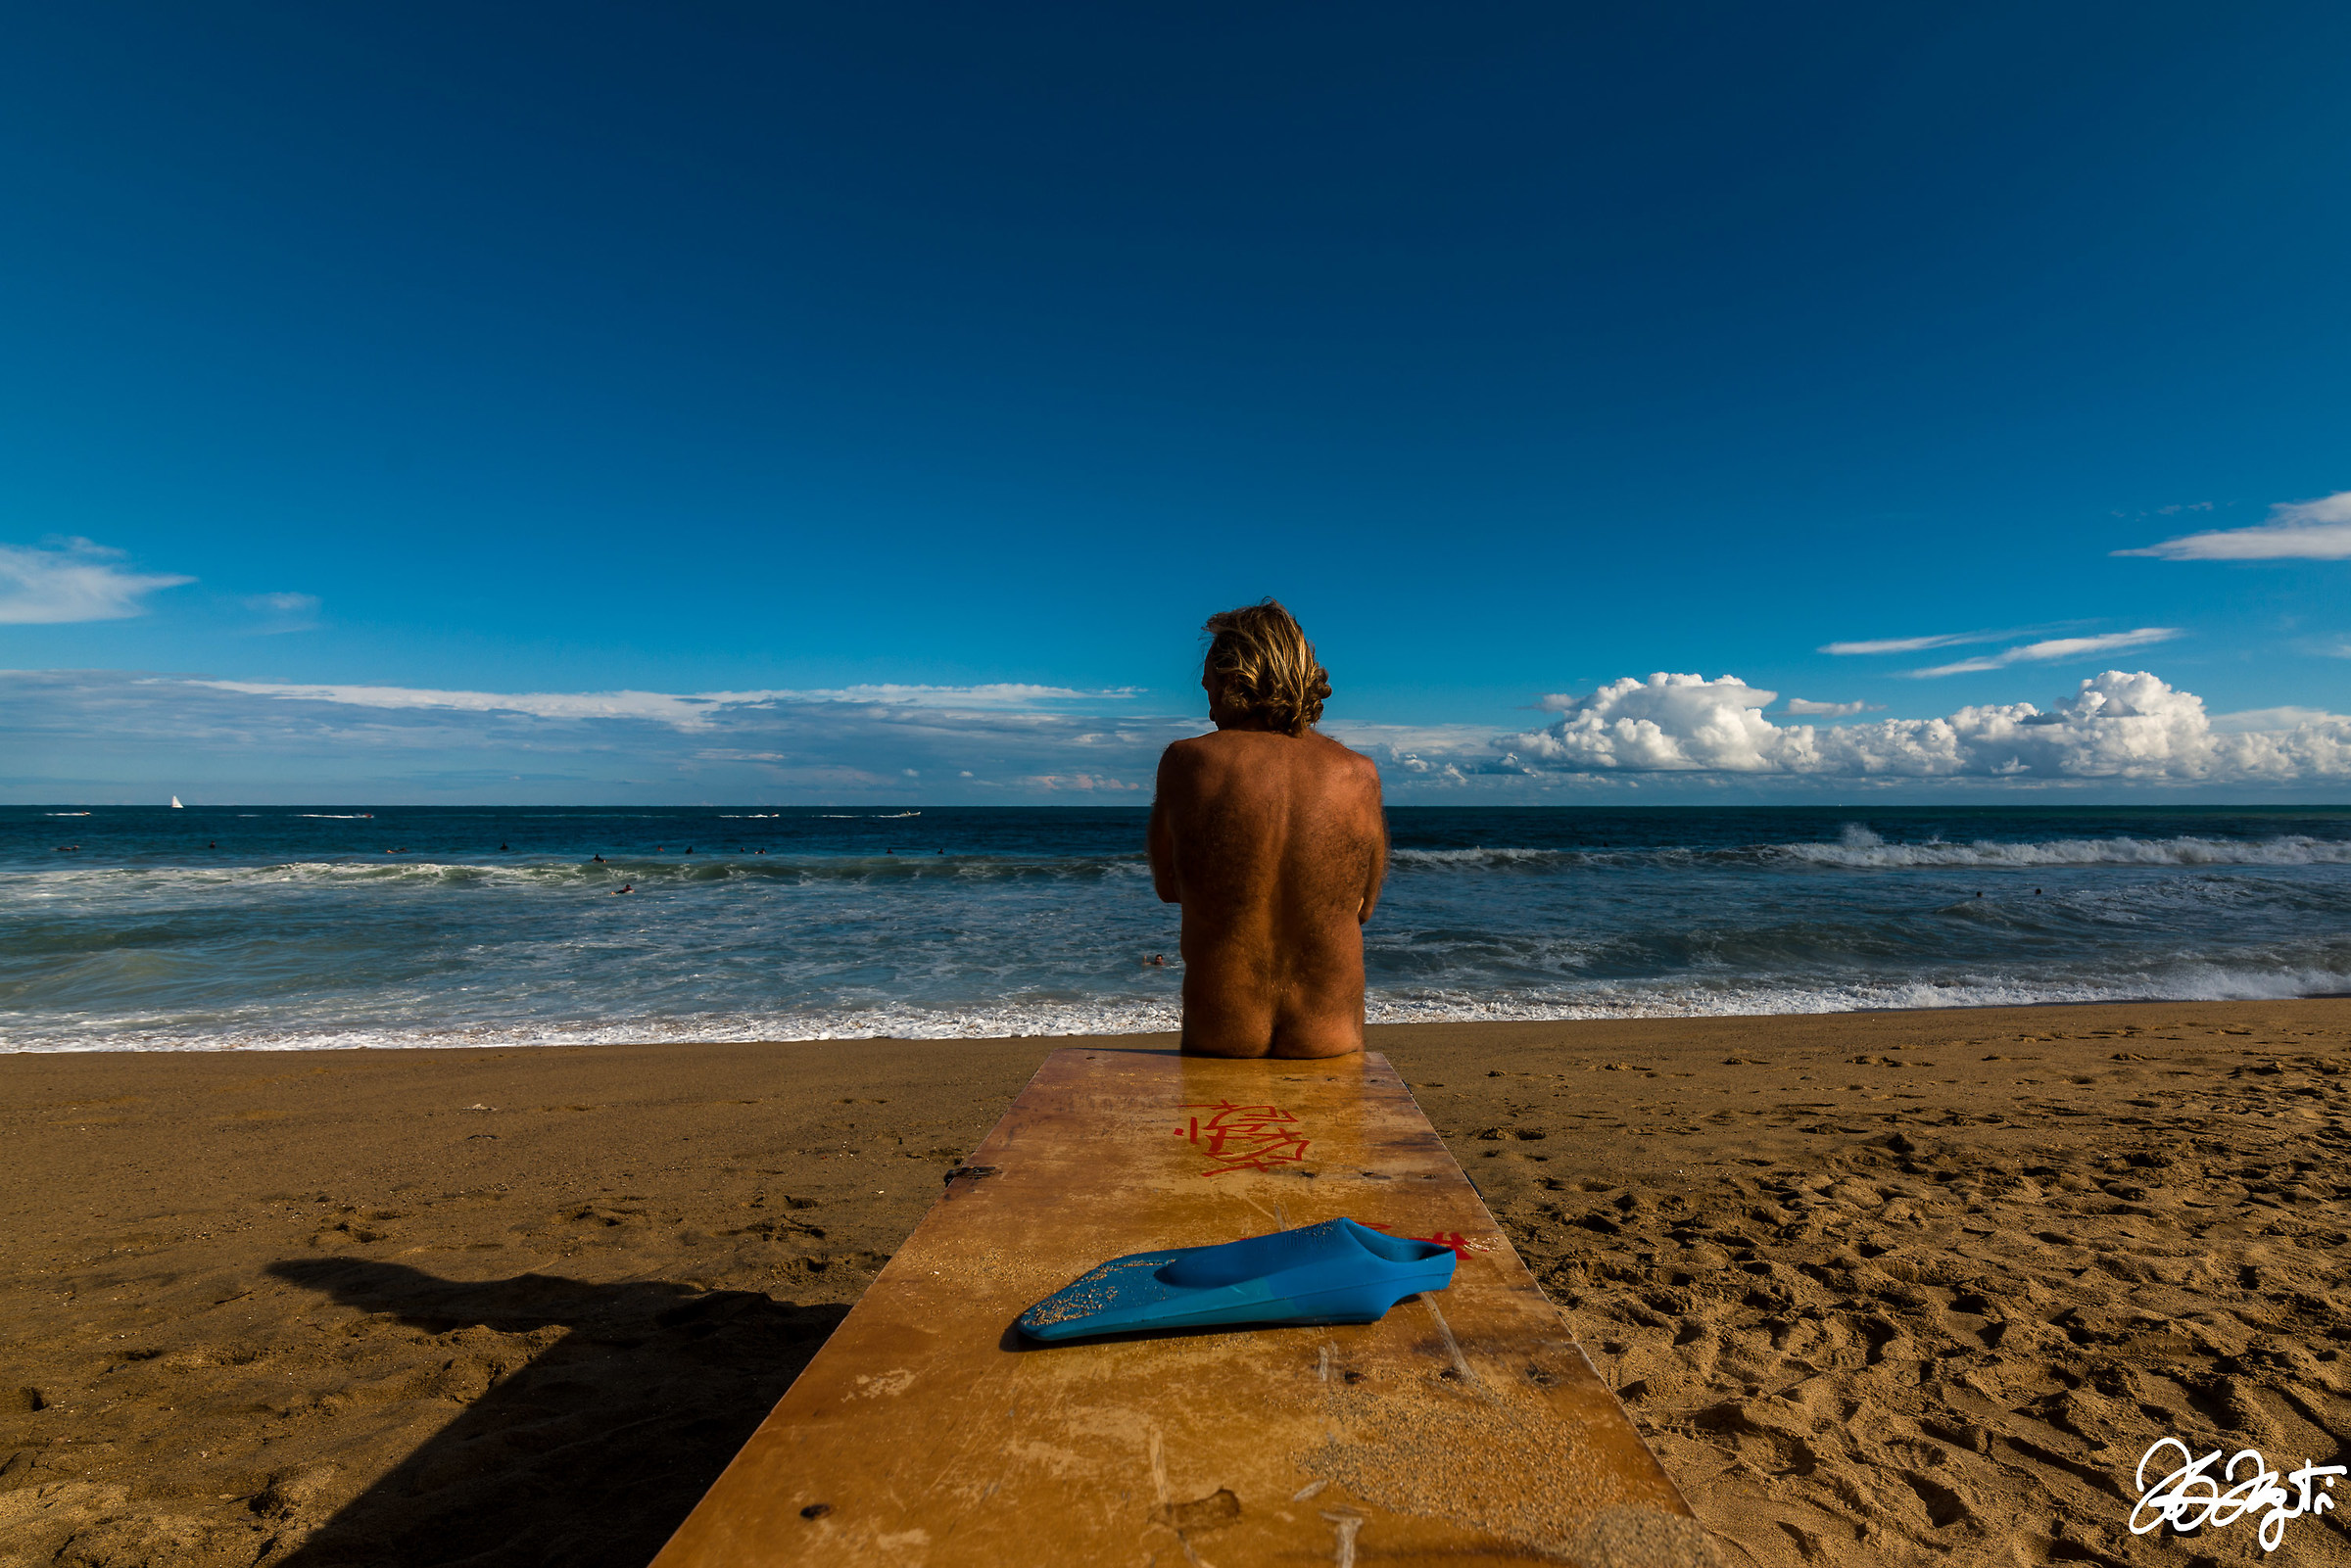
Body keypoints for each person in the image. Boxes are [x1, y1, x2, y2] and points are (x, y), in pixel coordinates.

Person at [1147, 599, 1386, 1059]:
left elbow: (1168, 887)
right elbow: (1363, 908)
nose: (1210, 707)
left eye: (1210, 689)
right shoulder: (1360, 775)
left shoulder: (1187, 762)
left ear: (1237, 680)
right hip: (1328, 1043)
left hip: (1222, 1038)